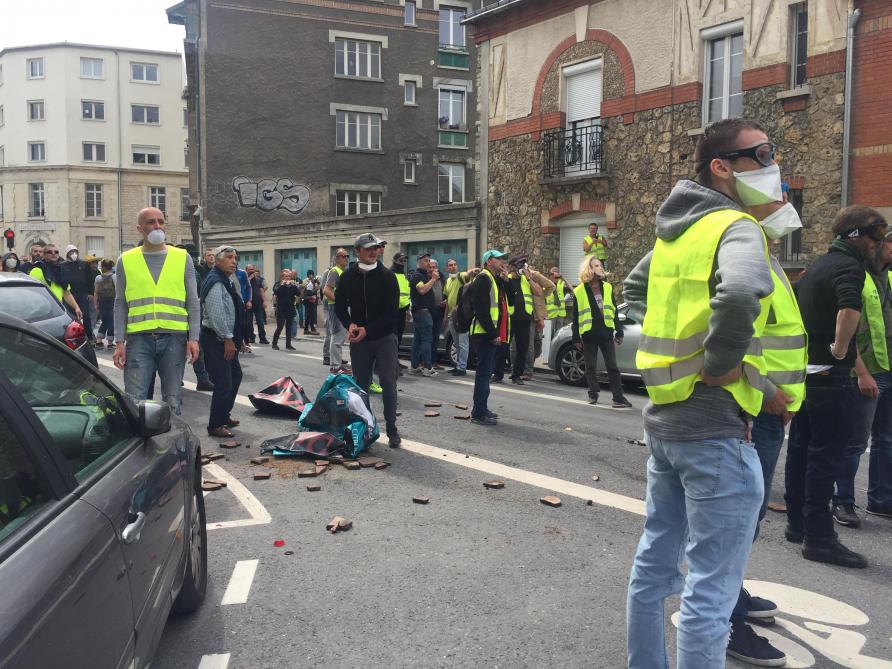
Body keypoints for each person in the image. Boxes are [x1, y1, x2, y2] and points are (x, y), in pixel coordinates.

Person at [623, 118, 777, 668]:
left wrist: (671, 354)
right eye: (761, 153)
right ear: (722, 166)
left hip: (665, 420)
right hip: (714, 425)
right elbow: (739, 293)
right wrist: (717, 363)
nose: (770, 163)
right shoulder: (734, 226)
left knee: (654, 566)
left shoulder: (677, 232)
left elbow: (632, 290)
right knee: (711, 590)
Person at [726, 193, 809, 667]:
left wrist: (790, 397)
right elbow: (737, 336)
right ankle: (728, 615)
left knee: (749, 517)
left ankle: (732, 595)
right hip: (756, 406)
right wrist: (769, 391)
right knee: (740, 518)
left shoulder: (769, 260)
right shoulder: (748, 256)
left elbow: (780, 338)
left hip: (773, 408)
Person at [785, 206, 886, 569]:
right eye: (877, 235)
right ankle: (820, 539)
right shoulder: (849, 266)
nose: (880, 244)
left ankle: (797, 525)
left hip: (808, 374)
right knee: (825, 459)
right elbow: (848, 308)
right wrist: (840, 349)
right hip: (832, 375)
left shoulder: (817, 266)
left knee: (801, 452)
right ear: (856, 235)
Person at [112, 207, 200, 414]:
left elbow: (193, 301)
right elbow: (120, 303)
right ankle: (142, 443)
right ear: (139, 228)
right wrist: (119, 342)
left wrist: (193, 338)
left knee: (173, 400)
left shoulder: (182, 257)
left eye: (161, 221)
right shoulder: (126, 259)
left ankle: (172, 443)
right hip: (138, 340)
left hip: (174, 338)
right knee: (135, 401)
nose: (157, 226)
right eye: (151, 222)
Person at [832, 229, 892, 526]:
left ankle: (881, 500)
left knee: (886, 439)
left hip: (889, 368)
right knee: (854, 441)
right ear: (877, 245)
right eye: (890, 240)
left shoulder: (889, 277)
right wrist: (861, 372)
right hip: (866, 372)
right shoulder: (857, 275)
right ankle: (842, 501)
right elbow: (845, 327)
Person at [334, 233, 401, 448]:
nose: (374, 252)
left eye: (377, 248)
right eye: (369, 248)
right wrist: (350, 325)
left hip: (384, 338)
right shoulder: (347, 276)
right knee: (361, 386)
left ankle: (392, 429)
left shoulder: (388, 277)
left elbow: (391, 313)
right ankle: (365, 427)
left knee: (388, 383)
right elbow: (339, 306)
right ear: (357, 252)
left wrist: (367, 329)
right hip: (360, 340)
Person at [572, 256, 632, 408]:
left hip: (606, 332)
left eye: (600, 265)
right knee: (590, 367)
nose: (600, 268)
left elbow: (613, 310)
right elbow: (576, 315)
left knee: (613, 367)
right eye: (596, 265)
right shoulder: (579, 290)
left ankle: (618, 398)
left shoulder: (607, 287)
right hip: (589, 334)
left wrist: (619, 331)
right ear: (589, 269)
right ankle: (593, 394)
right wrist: (576, 338)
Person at [200, 246, 246, 438]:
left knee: (235, 376)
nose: (234, 261)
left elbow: (232, 309)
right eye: (229, 257)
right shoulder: (216, 281)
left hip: (227, 338)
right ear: (218, 261)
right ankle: (215, 424)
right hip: (216, 339)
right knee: (224, 382)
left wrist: (238, 339)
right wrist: (228, 339)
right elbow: (217, 314)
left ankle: (224, 415)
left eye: (235, 257)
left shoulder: (227, 279)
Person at [469, 249, 514, 425]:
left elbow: (511, 301)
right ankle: (478, 414)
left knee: (486, 374)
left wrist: (506, 280)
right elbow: (480, 309)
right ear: (489, 261)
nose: (503, 261)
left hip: (490, 334)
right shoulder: (483, 279)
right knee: (483, 374)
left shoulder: (495, 279)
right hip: (483, 334)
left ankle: (482, 408)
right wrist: (493, 333)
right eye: (499, 259)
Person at [512, 259, 554, 381]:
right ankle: (516, 368)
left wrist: (541, 298)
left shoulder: (534, 275)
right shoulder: (517, 277)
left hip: (535, 314)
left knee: (532, 343)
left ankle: (528, 370)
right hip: (525, 314)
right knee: (519, 343)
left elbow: (551, 286)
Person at [29, 244, 83, 320]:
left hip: (57, 310)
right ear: (44, 255)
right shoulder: (37, 270)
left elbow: (66, 293)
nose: (53, 254)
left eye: (56, 252)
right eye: (49, 252)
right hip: (40, 311)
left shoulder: (61, 270)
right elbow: (31, 293)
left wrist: (76, 307)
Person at [445, 259, 479, 376]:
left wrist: (472, 271)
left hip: (461, 316)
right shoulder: (448, 281)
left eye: (455, 264)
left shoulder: (461, 276)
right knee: (456, 342)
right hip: (451, 316)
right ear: (447, 268)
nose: (453, 267)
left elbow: (467, 274)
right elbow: (448, 299)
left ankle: (462, 368)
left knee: (463, 342)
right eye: (450, 265)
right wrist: (446, 316)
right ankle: (458, 365)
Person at [408, 253, 440, 376]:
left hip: (423, 313)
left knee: (417, 340)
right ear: (419, 262)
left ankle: (415, 366)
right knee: (427, 340)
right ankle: (427, 367)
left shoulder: (423, 275)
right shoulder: (417, 276)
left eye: (429, 261)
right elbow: (421, 290)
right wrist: (433, 279)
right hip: (422, 313)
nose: (428, 263)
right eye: (426, 261)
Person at [62, 244, 97, 342]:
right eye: (71, 252)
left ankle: (89, 337)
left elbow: (90, 279)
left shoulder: (83, 264)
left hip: (83, 294)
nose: (74, 254)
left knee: (86, 315)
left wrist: (91, 293)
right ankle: (74, 336)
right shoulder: (63, 265)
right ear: (67, 254)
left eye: (75, 252)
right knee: (71, 316)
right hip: (70, 295)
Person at [322, 249, 350, 371]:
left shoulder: (342, 271)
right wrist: (339, 302)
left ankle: (337, 362)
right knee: (337, 334)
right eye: (344, 256)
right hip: (335, 307)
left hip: (340, 306)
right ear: (337, 258)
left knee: (340, 335)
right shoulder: (334, 271)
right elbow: (326, 290)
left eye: (347, 256)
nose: (347, 258)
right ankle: (335, 365)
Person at [391, 251, 411, 369]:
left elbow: (406, 293)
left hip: (402, 310)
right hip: (393, 311)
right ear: (394, 261)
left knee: (398, 337)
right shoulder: (390, 273)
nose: (403, 262)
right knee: (392, 337)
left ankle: (395, 360)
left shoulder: (403, 275)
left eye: (404, 260)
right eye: (400, 260)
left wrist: (408, 309)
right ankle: (391, 362)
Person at [271, 269, 300, 350]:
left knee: (289, 327)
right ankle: (274, 343)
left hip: (290, 308)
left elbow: (298, 293)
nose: (288, 278)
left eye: (289, 276)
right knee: (280, 326)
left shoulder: (292, 285)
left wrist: (294, 285)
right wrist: (282, 285)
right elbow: (276, 292)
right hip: (281, 309)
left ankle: (288, 344)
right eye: (286, 276)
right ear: (282, 277)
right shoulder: (278, 284)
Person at [429, 259, 448, 370]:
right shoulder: (426, 278)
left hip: (438, 311)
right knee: (427, 338)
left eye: (434, 267)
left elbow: (446, 292)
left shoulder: (442, 278)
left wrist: (446, 300)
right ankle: (424, 362)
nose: (432, 269)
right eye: (430, 267)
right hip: (428, 311)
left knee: (435, 337)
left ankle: (434, 361)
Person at [94, 259, 117, 348]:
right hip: (113, 302)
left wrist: (95, 304)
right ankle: (110, 342)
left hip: (102, 302)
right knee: (112, 321)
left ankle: (99, 340)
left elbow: (96, 292)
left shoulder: (98, 278)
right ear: (111, 267)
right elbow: (118, 291)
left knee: (104, 321)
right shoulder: (114, 277)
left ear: (103, 267)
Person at [246, 264, 269, 344]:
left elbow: (261, 291)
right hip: (248, 303)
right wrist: (249, 279)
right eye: (249, 269)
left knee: (260, 321)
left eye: (252, 269)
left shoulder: (258, 280)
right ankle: (251, 337)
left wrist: (265, 301)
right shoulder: (245, 279)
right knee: (249, 322)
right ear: (246, 271)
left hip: (258, 303)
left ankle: (262, 338)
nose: (251, 271)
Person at [546, 267, 572, 332]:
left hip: (560, 313)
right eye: (552, 274)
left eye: (555, 273)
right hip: (550, 314)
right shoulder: (546, 283)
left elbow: (572, 289)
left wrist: (563, 278)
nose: (554, 276)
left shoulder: (561, 284)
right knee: (549, 333)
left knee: (559, 333)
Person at [234, 263, 252, 348]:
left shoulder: (242, 273)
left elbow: (248, 287)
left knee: (243, 323)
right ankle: (237, 342)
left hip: (242, 301)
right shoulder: (225, 273)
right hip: (231, 301)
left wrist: (248, 300)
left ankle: (243, 342)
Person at [302, 270, 320, 335]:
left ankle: (308, 329)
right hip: (308, 301)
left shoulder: (313, 283)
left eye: (312, 275)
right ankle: (309, 329)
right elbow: (309, 293)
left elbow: (316, 290)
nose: (311, 276)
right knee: (309, 315)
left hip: (312, 301)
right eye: (310, 275)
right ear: (308, 276)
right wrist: (316, 289)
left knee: (311, 315)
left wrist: (317, 284)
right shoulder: (307, 283)